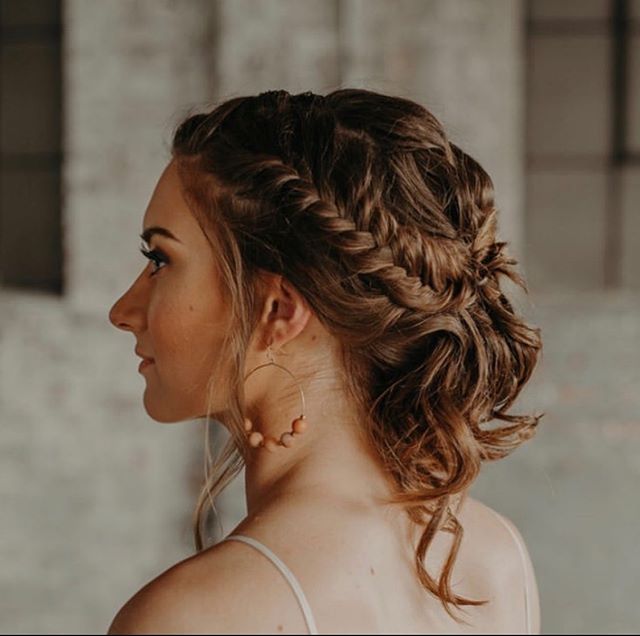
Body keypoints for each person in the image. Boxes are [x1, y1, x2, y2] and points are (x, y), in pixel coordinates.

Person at [107, 89, 543, 634]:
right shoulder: (494, 558)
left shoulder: (195, 616)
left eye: (160, 260)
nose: (122, 311)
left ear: (277, 310)